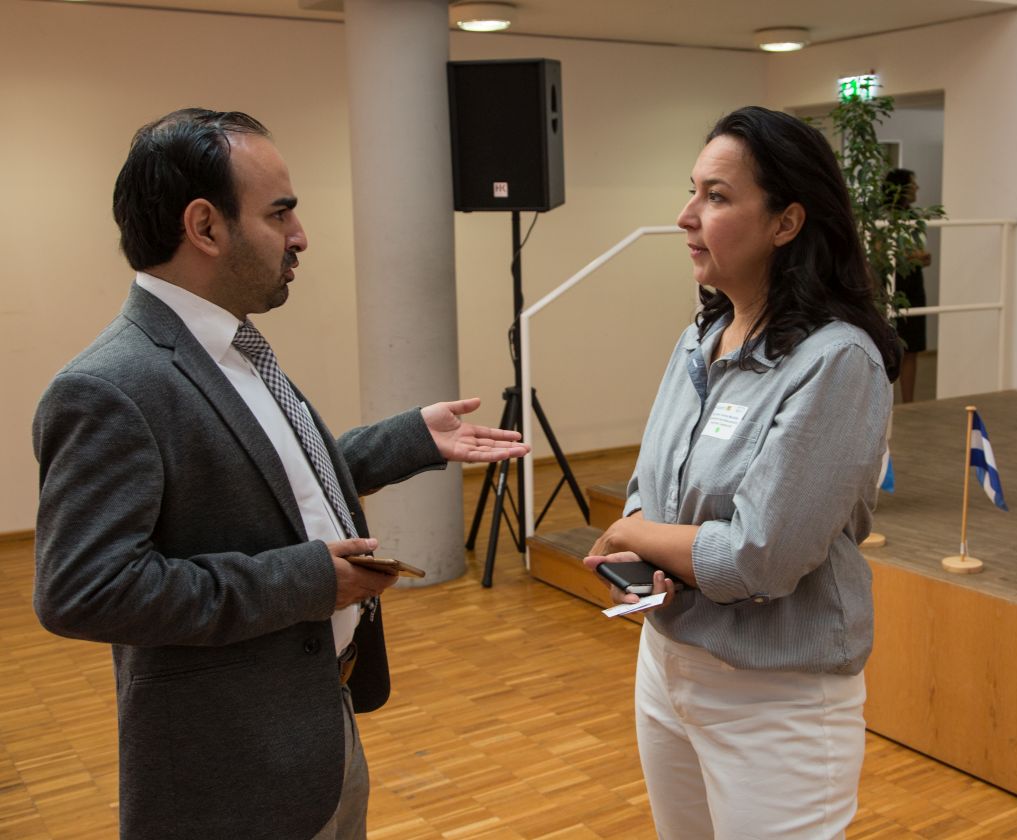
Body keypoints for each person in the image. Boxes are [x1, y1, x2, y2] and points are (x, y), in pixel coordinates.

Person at [31, 108, 528, 840]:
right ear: (205, 227)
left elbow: (276, 482)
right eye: (279, 213)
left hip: (317, 728)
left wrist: (407, 440)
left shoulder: (229, 347)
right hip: (233, 773)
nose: (300, 236)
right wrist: (307, 581)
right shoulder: (109, 387)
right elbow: (84, 591)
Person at [583, 106, 901, 838]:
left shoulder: (837, 361)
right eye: (692, 190)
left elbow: (760, 557)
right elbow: (647, 489)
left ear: (786, 223)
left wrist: (633, 535)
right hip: (666, 663)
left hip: (774, 697)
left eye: (717, 196)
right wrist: (641, 555)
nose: (686, 215)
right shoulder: (700, 337)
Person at [883, 167, 931, 403]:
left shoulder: (913, 217)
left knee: (913, 346)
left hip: (914, 285)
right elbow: (883, 253)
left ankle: (909, 402)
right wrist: (912, 257)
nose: (917, 189)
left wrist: (914, 257)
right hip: (891, 284)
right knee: (887, 345)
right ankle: (885, 402)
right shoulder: (884, 216)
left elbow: (923, 256)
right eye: (913, 184)